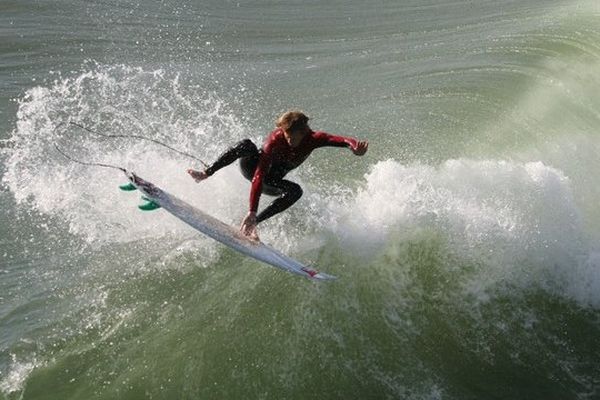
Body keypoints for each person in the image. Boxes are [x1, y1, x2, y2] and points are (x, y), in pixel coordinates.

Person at [187, 111, 368, 240]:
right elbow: (258, 175)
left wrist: (354, 147)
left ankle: (254, 223)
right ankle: (206, 173)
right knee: (246, 145)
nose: (287, 140)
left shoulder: (314, 139)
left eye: (292, 138)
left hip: (273, 181)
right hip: (253, 169)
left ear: (303, 133)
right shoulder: (276, 140)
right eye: (285, 135)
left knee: (296, 191)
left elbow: (340, 140)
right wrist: (252, 209)